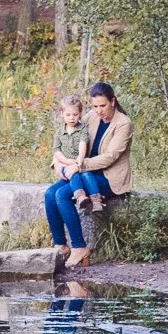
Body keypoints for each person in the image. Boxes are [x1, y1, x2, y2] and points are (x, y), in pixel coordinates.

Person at [42, 83, 134, 268]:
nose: (99, 111)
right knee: (50, 194)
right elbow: (69, 138)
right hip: (83, 173)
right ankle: (61, 246)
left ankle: (79, 247)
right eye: (95, 106)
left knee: (62, 195)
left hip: (108, 178)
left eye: (103, 105)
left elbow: (111, 157)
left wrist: (79, 165)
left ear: (113, 101)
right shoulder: (91, 117)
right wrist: (58, 163)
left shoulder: (124, 123)